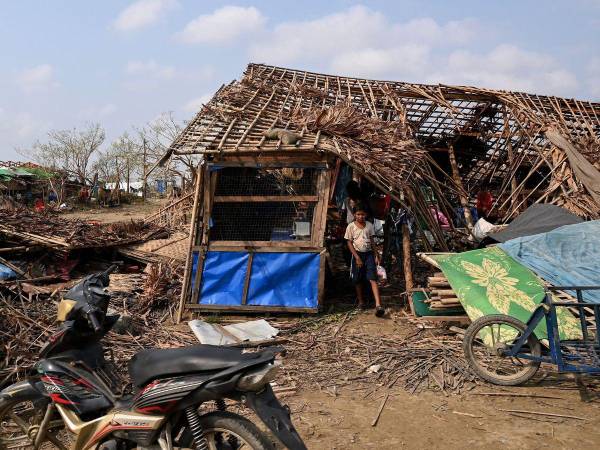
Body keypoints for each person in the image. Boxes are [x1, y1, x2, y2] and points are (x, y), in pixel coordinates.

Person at [344, 203, 384, 317]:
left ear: (366, 215)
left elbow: (372, 241)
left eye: (362, 214)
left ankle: (378, 304)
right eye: (358, 214)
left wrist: (376, 254)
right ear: (354, 215)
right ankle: (361, 302)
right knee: (357, 279)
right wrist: (356, 257)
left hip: (369, 254)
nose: (360, 216)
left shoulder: (369, 225)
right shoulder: (351, 226)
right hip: (357, 254)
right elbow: (349, 242)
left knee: (373, 278)